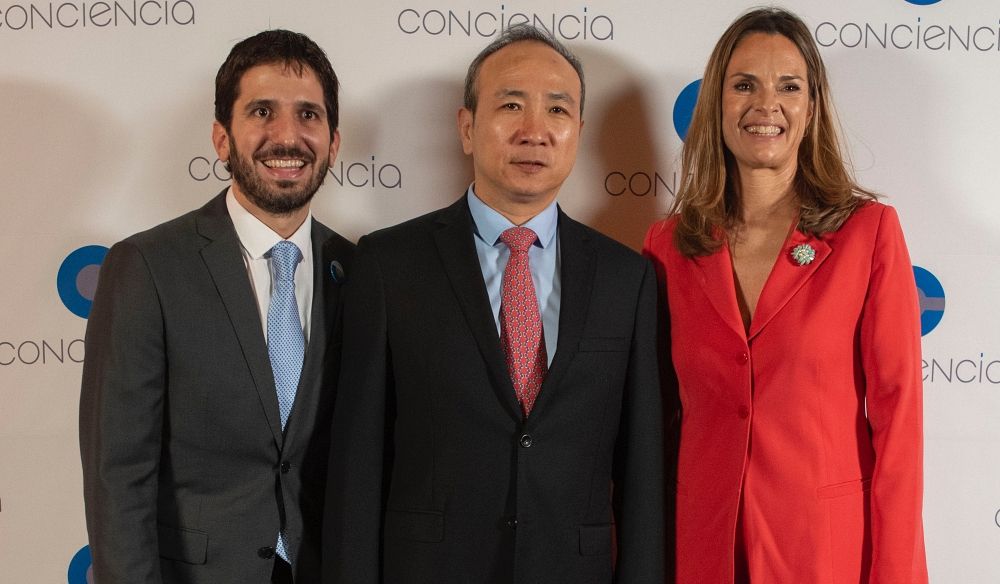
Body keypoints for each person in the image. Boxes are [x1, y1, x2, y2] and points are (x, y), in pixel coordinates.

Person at [323, 24, 664, 584]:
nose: (534, 131)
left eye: (557, 111)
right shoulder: (388, 264)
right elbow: (356, 467)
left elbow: (641, 475)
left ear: (578, 131)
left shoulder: (626, 278)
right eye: (511, 104)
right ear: (466, 127)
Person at [643, 8, 927, 583]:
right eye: (744, 84)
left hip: (824, 554)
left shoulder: (867, 234)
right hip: (701, 550)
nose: (765, 104)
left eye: (789, 87)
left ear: (812, 107)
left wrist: (896, 572)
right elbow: (655, 424)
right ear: (715, 103)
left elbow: (898, 421)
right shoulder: (667, 246)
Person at [79, 29, 354, 584]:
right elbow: (119, 474)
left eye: (308, 115)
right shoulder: (147, 267)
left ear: (333, 141)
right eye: (261, 112)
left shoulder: (359, 271)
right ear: (222, 138)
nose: (287, 136)